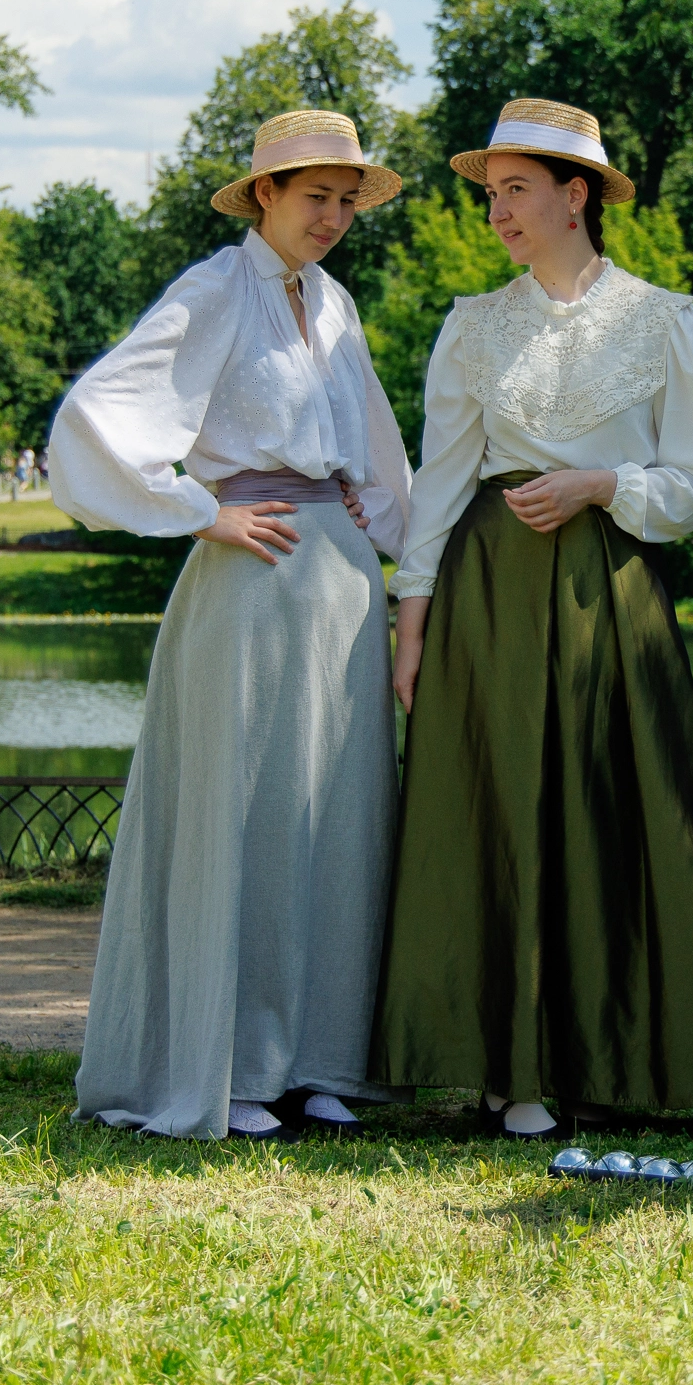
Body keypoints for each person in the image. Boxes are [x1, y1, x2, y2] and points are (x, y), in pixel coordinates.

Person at [370, 97, 693, 1139]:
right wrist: (412, 619)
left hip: (610, 595)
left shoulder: (664, 320)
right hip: (491, 597)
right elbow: (441, 482)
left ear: (577, 196)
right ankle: (502, 1070)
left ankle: (621, 1061)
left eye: (515, 191)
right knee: (502, 816)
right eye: (490, 195)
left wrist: (602, 483)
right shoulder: (473, 325)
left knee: (616, 816)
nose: (497, 213)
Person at [52, 110, 412, 1141]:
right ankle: (240, 1067)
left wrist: (404, 553)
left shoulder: (335, 304)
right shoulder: (215, 290)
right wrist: (201, 512)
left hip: (338, 583)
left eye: (348, 202)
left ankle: (321, 1059)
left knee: (340, 819)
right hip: (248, 575)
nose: (335, 218)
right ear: (265, 195)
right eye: (316, 197)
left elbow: (377, 454)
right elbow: (96, 418)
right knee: (249, 814)